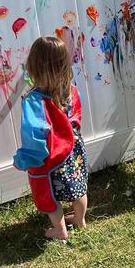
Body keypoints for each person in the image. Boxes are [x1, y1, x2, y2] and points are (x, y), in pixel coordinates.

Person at [13, 36, 88, 240]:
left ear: (34, 67)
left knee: (50, 196)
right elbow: (77, 117)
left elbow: (34, 134)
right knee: (78, 186)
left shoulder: (34, 100)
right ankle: (80, 220)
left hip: (51, 155)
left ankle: (59, 229)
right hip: (73, 150)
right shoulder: (71, 90)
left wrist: (26, 159)